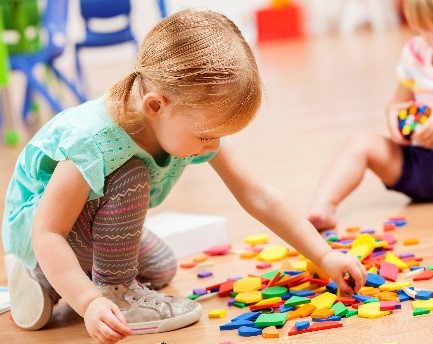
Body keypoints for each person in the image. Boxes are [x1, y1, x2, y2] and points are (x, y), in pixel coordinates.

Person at [2, 9, 367, 344]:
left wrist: (325, 255)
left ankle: (50, 283)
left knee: (162, 268)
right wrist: (90, 302)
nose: (213, 144)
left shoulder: (185, 124)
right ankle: (88, 285)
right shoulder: (95, 142)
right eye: (207, 135)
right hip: (41, 229)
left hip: (79, 226)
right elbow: (47, 232)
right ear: (156, 106)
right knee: (132, 176)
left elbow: (258, 195)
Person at [307, 0, 433, 245]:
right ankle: (323, 206)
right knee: (361, 142)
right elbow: (398, 102)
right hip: (416, 161)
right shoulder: (417, 51)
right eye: (424, 29)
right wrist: (395, 119)